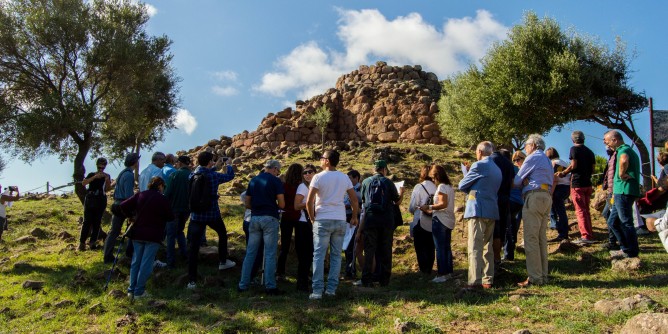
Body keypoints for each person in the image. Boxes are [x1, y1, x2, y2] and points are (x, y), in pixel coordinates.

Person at [307, 150, 360, 300]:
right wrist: (354, 216)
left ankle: (317, 290)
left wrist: (312, 218)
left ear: (327, 161)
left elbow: (310, 201)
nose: (320, 160)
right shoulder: (344, 177)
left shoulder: (318, 177)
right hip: (339, 219)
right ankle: (331, 289)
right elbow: (354, 200)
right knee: (336, 256)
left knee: (318, 255)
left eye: (322, 158)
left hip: (323, 218)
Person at [186, 151, 236, 289]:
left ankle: (191, 280)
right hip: (212, 214)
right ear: (209, 162)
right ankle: (223, 261)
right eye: (212, 161)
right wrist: (229, 165)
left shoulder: (193, 174)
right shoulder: (214, 176)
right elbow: (229, 176)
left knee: (194, 247)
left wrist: (216, 165)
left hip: (196, 216)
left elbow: (204, 171)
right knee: (222, 234)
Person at [121, 177, 174, 299]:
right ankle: (139, 291)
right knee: (146, 263)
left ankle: (131, 290)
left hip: (138, 233)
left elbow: (123, 205)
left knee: (136, 262)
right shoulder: (162, 199)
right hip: (153, 234)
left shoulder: (140, 195)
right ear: (160, 186)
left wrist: (131, 216)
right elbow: (170, 217)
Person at [238, 159, 285, 295]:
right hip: (270, 217)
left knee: (250, 252)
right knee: (270, 253)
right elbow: (281, 204)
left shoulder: (253, 180)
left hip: (254, 218)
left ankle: (243, 284)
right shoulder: (276, 181)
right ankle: (270, 286)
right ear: (275, 169)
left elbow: (247, 203)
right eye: (278, 171)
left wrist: (258, 208)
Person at [459, 141, 502, 289]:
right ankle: (487, 279)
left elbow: (462, 185)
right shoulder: (497, 169)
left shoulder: (479, 165)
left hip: (477, 209)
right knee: (487, 247)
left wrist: (467, 173)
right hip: (492, 210)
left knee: (475, 247)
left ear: (479, 151)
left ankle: (474, 281)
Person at [514, 134, 554, 287]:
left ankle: (534, 278)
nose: (525, 148)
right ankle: (543, 275)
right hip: (546, 196)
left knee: (531, 239)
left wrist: (521, 176)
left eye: (526, 145)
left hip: (534, 196)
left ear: (533, 145)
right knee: (541, 239)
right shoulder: (546, 160)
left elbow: (517, 181)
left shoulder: (532, 158)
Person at [358, 159, 402, 288]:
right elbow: (396, 200)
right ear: (384, 170)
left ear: (374, 169)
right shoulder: (388, 182)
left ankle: (366, 279)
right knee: (386, 249)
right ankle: (385, 279)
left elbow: (363, 200)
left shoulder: (366, 182)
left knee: (369, 250)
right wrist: (402, 194)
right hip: (386, 220)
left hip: (370, 220)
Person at [604, 130, 641, 258]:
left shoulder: (623, 150)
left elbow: (624, 160)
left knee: (626, 222)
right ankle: (625, 248)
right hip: (623, 191)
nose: (605, 143)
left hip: (624, 189)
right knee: (612, 221)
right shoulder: (630, 150)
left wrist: (620, 174)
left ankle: (631, 252)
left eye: (607, 140)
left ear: (615, 140)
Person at [556, 131, 596, 244]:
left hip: (577, 183)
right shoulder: (590, 152)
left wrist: (563, 173)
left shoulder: (574, 149)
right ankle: (589, 233)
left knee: (580, 210)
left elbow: (573, 165)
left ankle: (586, 236)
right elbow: (593, 170)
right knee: (586, 210)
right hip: (588, 183)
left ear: (573, 140)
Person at [419, 165, 455, 283]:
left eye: (433, 178)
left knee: (440, 248)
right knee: (446, 247)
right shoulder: (449, 187)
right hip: (448, 220)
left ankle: (442, 273)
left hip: (440, 220)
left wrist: (428, 207)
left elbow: (442, 204)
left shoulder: (441, 187)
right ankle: (449, 271)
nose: (433, 181)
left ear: (437, 176)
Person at [103, 152, 140, 264]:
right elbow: (129, 195)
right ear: (134, 162)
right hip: (124, 205)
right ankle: (129, 254)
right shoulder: (129, 175)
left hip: (116, 203)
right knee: (131, 229)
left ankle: (107, 255)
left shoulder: (122, 173)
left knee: (113, 231)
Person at [489, 148, 516, 268]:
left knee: (492, 229)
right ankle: (497, 257)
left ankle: (491, 259)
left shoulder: (491, 160)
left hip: (493, 198)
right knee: (501, 229)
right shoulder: (509, 164)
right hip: (505, 198)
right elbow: (512, 183)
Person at [163, 155, 192, 268]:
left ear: (180, 163)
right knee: (180, 231)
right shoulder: (192, 175)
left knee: (170, 235)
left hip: (173, 209)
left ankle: (170, 261)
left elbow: (167, 193)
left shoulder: (174, 175)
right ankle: (184, 255)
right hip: (186, 209)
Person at [276, 163, 304, 280]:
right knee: (300, 246)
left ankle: (280, 272)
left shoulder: (284, 186)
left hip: (286, 216)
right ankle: (302, 272)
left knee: (284, 246)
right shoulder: (302, 186)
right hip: (299, 217)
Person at [408, 165, 437, 275]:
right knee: (431, 245)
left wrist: (412, 210)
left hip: (420, 219)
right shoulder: (437, 187)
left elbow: (412, 206)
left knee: (420, 246)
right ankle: (429, 268)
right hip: (433, 220)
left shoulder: (419, 187)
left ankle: (423, 269)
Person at [79, 157, 112, 251]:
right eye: (100, 166)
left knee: (97, 222)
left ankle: (92, 243)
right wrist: (94, 177)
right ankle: (82, 243)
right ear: (97, 165)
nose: (102, 168)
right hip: (90, 198)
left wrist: (107, 180)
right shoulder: (91, 174)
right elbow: (84, 183)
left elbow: (107, 189)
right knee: (87, 221)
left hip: (101, 199)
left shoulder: (107, 175)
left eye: (103, 166)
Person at [293, 163, 317, 291]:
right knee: (305, 255)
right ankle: (301, 284)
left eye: (310, 172)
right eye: (305, 172)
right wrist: (310, 203)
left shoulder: (315, 186)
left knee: (312, 254)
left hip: (313, 222)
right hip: (304, 223)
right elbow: (296, 206)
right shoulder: (302, 187)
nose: (307, 174)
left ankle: (307, 281)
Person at [545, 147, 571, 242]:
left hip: (558, 187)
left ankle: (563, 233)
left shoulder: (553, 163)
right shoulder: (563, 162)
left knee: (560, 211)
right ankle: (561, 228)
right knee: (561, 210)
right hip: (566, 187)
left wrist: (550, 192)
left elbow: (553, 179)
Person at [504, 151, 525, 260]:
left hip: (510, 200)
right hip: (519, 201)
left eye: (518, 160)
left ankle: (508, 254)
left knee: (506, 227)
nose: (516, 162)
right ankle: (510, 252)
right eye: (514, 160)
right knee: (512, 226)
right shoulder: (520, 170)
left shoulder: (509, 169)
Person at [240, 190, 263, 285]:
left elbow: (243, 197)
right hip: (256, 221)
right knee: (258, 252)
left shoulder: (249, 190)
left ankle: (245, 276)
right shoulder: (267, 191)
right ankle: (250, 277)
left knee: (250, 251)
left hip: (247, 220)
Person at [343, 169, 363, 279]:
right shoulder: (347, 190)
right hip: (346, 217)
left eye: (350, 178)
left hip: (355, 218)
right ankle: (348, 270)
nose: (348, 180)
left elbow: (359, 205)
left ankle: (351, 271)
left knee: (352, 246)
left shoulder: (360, 190)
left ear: (356, 178)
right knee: (347, 245)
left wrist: (352, 205)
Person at [601, 146, 620, 250]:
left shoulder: (617, 155)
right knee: (607, 214)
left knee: (611, 216)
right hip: (611, 191)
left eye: (606, 141)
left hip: (614, 191)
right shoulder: (612, 157)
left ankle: (616, 242)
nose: (605, 144)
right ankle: (613, 241)